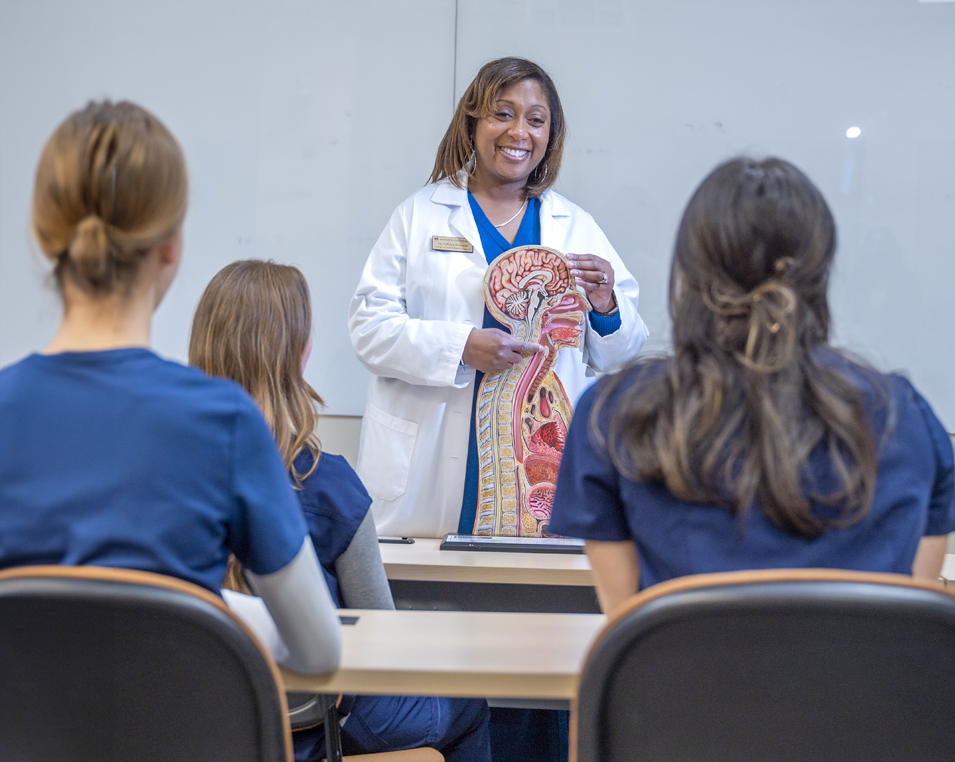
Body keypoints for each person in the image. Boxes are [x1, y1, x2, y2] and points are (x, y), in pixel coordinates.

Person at [0, 101, 341, 676]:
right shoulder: (223, 421)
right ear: (170, 247)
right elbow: (318, 650)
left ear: (45, 237)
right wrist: (198, 603)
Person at [549, 157, 955, 613]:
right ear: (820, 274)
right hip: (863, 687)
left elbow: (628, 629)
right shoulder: (905, 417)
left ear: (685, 276)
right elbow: (906, 626)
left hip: (681, 685)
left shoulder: (614, 415)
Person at [189, 259, 491, 762]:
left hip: (202, 726)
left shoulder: (167, 481)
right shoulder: (326, 482)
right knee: (468, 706)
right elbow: (380, 638)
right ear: (299, 353)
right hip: (314, 734)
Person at [349, 57, 649, 539]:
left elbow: (621, 353)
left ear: (550, 136)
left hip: (538, 463)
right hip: (432, 472)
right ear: (473, 122)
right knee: (426, 600)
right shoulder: (419, 216)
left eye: (536, 120)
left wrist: (606, 304)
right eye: (502, 113)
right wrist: (460, 347)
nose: (518, 132)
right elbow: (368, 330)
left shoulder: (575, 226)